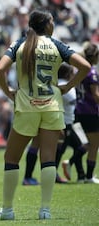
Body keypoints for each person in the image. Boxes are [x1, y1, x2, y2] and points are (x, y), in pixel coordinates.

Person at [0, 9, 91, 221]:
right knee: (49, 159)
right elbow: (85, 66)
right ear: (48, 24)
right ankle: (45, 210)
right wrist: (67, 86)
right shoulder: (56, 45)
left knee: (11, 158)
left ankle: (7, 210)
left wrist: (8, 93)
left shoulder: (20, 44)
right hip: (52, 105)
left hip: (27, 106)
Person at [63, 42, 99, 184]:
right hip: (90, 112)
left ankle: (78, 170)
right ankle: (88, 176)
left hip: (78, 111)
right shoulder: (92, 72)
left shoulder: (80, 71)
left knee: (86, 143)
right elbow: (95, 94)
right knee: (94, 144)